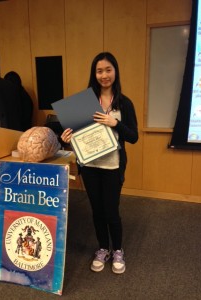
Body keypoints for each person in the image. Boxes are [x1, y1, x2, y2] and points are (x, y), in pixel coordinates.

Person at [61, 52, 138, 274]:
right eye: (99, 71)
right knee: (97, 211)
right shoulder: (83, 103)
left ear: (115, 71)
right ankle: (103, 248)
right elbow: (73, 135)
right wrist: (65, 139)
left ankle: (118, 250)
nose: (104, 75)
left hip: (113, 166)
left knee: (111, 211)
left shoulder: (124, 103)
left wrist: (115, 123)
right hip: (90, 167)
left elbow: (133, 137)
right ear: (94, 74)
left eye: (108, 70)